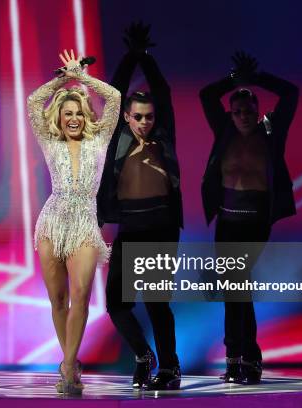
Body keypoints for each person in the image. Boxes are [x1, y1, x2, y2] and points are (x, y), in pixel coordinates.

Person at [199, 51, 299, 384]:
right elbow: (206, 95)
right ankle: (241, 359)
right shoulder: (224, 130)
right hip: (227, 221)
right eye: (237, 110)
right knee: (235, 290)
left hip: (256, 220)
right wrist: (234, 81)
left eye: (249, 109)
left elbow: (291, 93)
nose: (243, 115)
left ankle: (241, 358)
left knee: (237, 284)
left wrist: (254, 78)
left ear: (258, 111)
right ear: (231, 113)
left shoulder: (271, 133)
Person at [27, 49, 120, 394]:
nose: (73, 118)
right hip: (52, 221)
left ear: (85, 115)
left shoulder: (99, 140)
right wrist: (63, 79)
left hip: (84, 221)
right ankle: (70, 362)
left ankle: (68, 366)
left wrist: (81, 77)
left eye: (78, 112)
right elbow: (34, 101)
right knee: (58, 300)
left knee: (81, 294)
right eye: (67, 113)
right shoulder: (50, 142)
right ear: (60, 117)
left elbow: (114, 98)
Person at [97, 22, 182, 390]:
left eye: (149, 116)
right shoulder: (118, 137)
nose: (145, 122)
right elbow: (114, 94)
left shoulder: (163, 136)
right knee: (116, 304)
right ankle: (143, 356)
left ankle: (169, 368)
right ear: (127, 117)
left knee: (157, 303)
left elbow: (162, 91)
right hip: (130, 227)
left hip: (160, 226)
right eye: (139, 116)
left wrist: (146, 58)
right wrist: (131, 57)